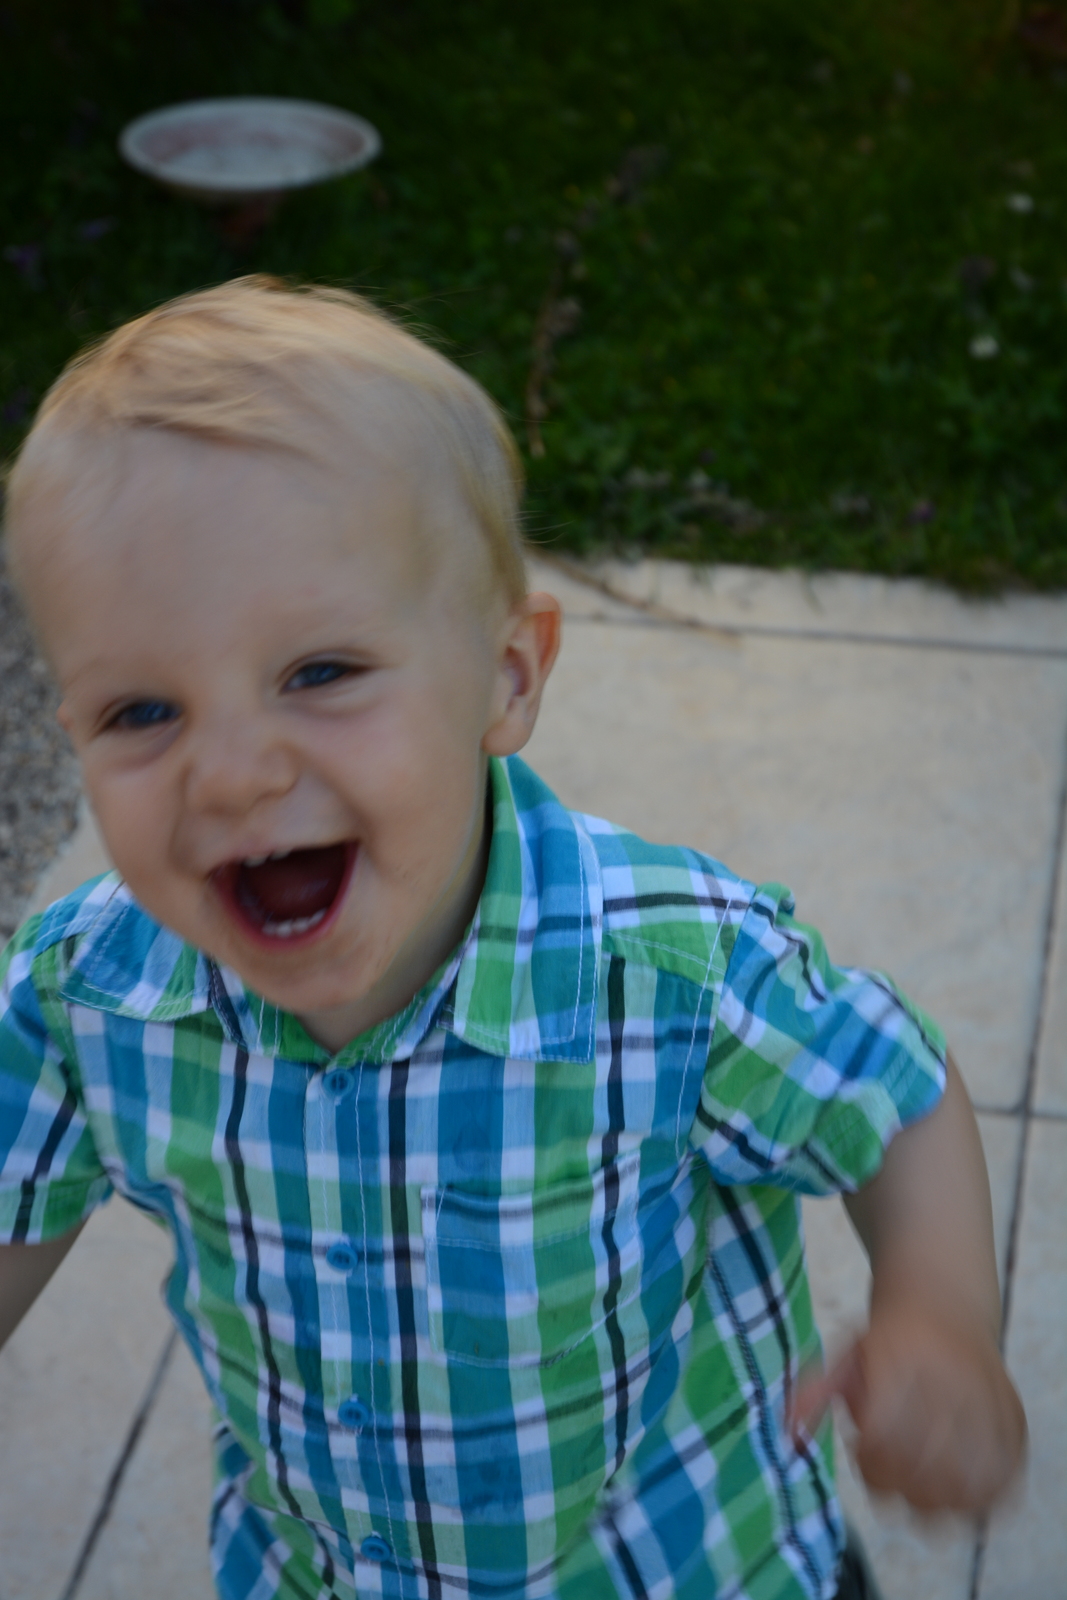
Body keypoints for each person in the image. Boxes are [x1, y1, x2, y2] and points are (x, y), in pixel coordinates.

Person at [0, 278, 1024, 1600]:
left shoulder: (666, 975)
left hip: (691, 1566)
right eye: (143, 711)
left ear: (507, 675)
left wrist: (940, 1320)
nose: (235, 774)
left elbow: (897, 1095)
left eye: (320, 672)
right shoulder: (86, 1001)